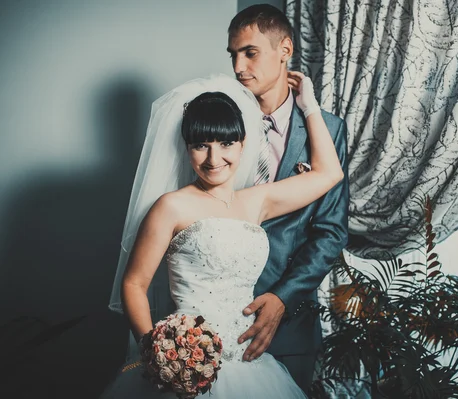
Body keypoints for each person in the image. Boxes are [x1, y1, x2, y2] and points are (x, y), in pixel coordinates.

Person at [101, 71, 342, 399]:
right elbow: (134, 284)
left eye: (226, 143)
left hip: (251, 369)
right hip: (189, 365)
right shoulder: (171, 206)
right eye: (201, 145)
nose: (214, 159)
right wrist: (158, 354)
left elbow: (330, 173)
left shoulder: (257, 201)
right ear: (187, 149)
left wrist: (309, 106)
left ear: (243, 144)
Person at [227, 5, 349, 393]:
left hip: (290, 327)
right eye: (232, 55)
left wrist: (281, 299)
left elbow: (331, 232)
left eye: (250, 52)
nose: (238, 68)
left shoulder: (328, 130)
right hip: (217, 314)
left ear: (285, 49)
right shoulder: (220, 124)